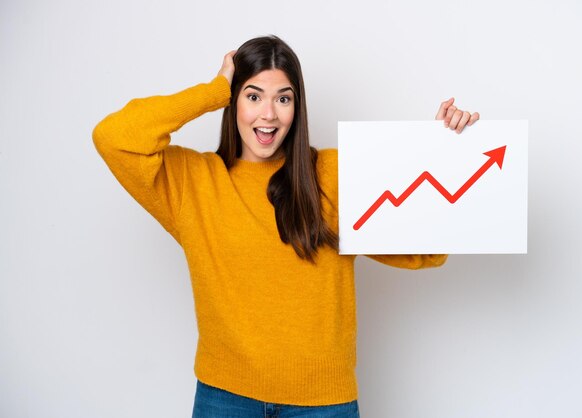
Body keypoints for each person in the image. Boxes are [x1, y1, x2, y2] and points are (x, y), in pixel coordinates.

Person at [92, 35, 479, 418]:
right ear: (233, 101)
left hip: (323, 403)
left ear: (297, 107)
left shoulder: (331, 175)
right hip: (224, 398)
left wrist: (447, 149)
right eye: (253, 96)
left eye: (283, 98)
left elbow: (423, 250)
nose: (269, 115)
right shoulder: (193, 182)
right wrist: (212, 91)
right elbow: (113, 137)